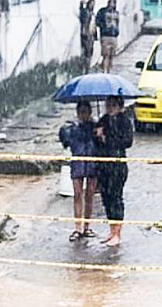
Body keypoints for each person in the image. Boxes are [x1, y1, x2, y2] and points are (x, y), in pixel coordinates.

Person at [94, 95, 133, 246]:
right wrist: (97, 135)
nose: (110, 108)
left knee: (116, 197)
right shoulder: (103, 120)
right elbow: (96, 143)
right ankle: (111, 230)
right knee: (106, 197)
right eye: (108, 105)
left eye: (113, 105)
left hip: (118, 165)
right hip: (103, 165)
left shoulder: (124, 121)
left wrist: (108, 140)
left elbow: (128, 142)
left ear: (120, 106)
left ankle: (118, 233)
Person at [58, 101, 98, 241]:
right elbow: (65, 142)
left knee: (89, 196)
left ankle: (86, 226)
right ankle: (77, 227)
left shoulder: (95, 127)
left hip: (93, 163)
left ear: (90, 112)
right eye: (81, 112)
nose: (83, 115)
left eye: (86, 112)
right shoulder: (72, 128)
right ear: (77, 113)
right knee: (77, 194)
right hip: (78, 163)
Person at [96, 0, 120, 73]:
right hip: (105, 35)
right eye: (111, 2)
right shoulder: (102, 11)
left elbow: (117, 23)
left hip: (114, 36)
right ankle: (105, 70)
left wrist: (117, 32)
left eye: (114, 2)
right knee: (106, 54)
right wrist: (104, 27)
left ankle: (109, 70)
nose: (112, 4)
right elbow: (97, 21)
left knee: (112, 55)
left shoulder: (116, 13)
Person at [80, 0, 96, 72]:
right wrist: (81, 4)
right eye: (91, 4)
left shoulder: (92, 14)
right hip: (85, 35)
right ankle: (85, 68)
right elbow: (81, 13)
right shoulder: (85, 12)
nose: (92, 6)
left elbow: (94, 26)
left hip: (91, 35)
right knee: (86, 52)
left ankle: (87, 67)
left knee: (90, 52)